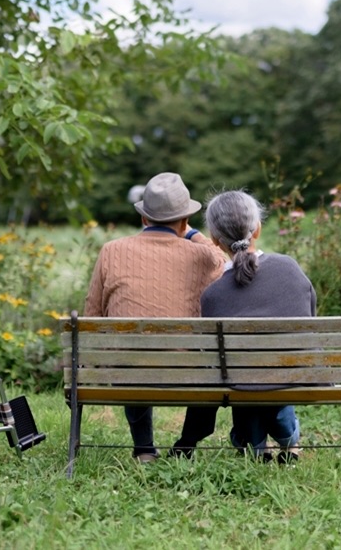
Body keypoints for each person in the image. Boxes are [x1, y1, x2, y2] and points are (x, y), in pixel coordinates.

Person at [83, 172, 225, 463]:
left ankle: (144, 448)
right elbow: (225, 257)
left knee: (132, 351)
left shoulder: (111, 251)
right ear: (184, 222)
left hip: (125, 373)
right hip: (187, 373)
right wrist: (195, 234)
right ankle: (186, 445)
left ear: (144, 219)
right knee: (209, 364)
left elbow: (92, 313)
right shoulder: (203, 256)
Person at [200, 190, 316, 463]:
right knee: (273, 369)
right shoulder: (289, 267)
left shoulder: (213, 294)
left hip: (241, 382)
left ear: (215, 240)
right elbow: (309, 321)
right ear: (258, 229)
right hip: (292, 372)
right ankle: (289, 440)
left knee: (245, 372)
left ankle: (253, 442)